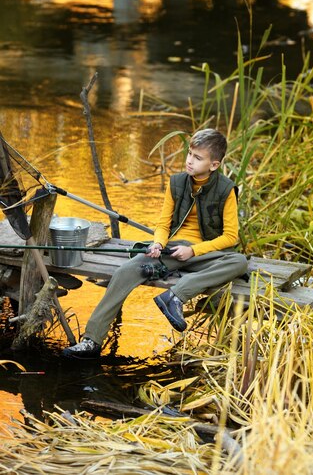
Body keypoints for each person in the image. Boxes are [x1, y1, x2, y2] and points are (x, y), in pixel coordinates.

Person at [62, 128, 248, 358]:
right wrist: (158, 244)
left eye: (198, 158)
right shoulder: (177, 183)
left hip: (203, 253)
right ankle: (92, 340)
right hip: (171, 250)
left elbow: (231, 237)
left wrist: (193, 251)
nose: (189, 161)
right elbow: (163, 224)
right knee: (125, 272)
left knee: (239, 261)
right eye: (189, 154)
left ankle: (175, 297)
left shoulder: (226, 190)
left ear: (214, 165)